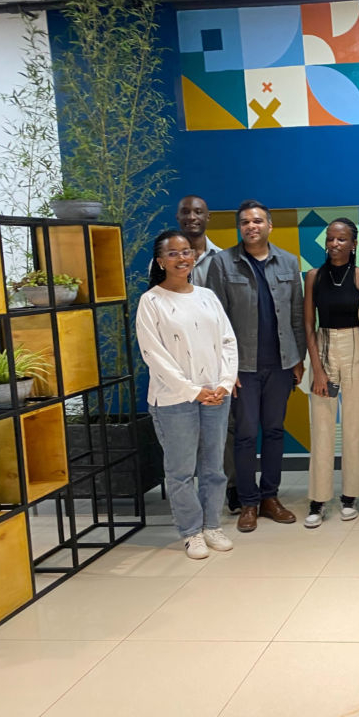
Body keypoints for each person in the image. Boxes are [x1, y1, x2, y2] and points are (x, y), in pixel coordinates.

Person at [207, 200, 306, 533]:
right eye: (245, 222)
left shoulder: (289, 262)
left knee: (275, 432)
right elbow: (215, 320)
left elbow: (296, 315)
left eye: (258, 220)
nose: (252, 226)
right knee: (246, 435)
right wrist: (225, 369)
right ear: (240, 227)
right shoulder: (222, 263)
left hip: (280, 364)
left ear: (269, 225)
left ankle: (270, 498)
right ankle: (248, 502)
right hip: (242, 368)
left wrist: (298, 359)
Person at [137, 230, 237, 560]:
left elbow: (227, 341)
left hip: (215, 395)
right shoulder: (151, 301)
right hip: (173, 400)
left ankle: (212, 525)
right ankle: (191, 532)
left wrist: (224, 381)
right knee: (180, 471)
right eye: (173, 253)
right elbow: (154, 355)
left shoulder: (207, 296)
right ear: (160, 260)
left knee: (213, 467)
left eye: (187, 252)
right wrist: (192, 391)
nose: (182, 258)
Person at [302, 218, 359, 528]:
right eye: (330, 239)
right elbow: (308, 323)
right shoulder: (314, 276)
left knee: (352, 426)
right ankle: (318, 500)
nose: (334, 244)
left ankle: (350, 496)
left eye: (341, 239)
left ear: (353, 243)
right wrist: (317, 370)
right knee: (321, 426)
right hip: (323, 346)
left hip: (358, 347)